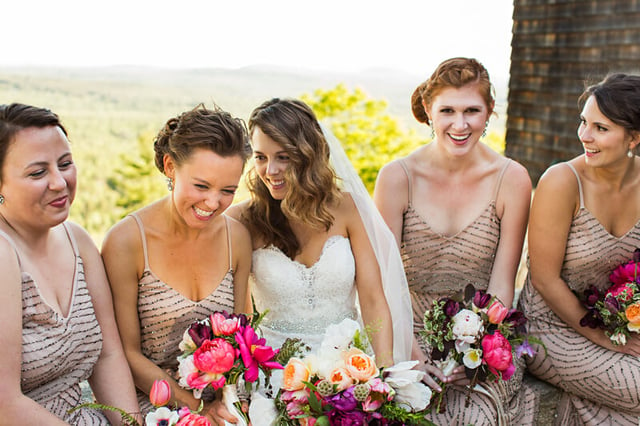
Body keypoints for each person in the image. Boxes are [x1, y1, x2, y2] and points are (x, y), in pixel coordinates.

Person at [374, 57, 536, 425]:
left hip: (482, 332)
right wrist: (409, 351)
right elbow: (384, 277)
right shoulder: (397, 178)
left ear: (489, 112)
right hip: (405, 327)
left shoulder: (512, 179)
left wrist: (476, 350)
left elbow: (502, 281)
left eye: (472, 111)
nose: (459, 125)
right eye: (447, 110)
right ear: (429, 110)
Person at [227, 98, 413, 372]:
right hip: (274, 374)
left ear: (307, 155)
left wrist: (384, 374)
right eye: (261, 157)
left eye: (283, 157)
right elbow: (239, 316)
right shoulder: (240, 220)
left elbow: (373, 299)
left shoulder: (350, 209)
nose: (271, 170)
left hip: (349, 373)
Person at [101, 104, 253, 424]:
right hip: (155, 407)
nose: (213, 203)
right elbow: (126, 354)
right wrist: (196, 410)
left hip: (226, 405)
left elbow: (244, 336)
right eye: (201, 186)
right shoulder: (127, 242)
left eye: (228, 191)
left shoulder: (236, 238)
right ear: (170, 166)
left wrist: (235, 406)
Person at [0, 103, 140, 424]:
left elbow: (108, 356)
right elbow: (4, 403)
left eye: (65, 164)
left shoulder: (78, 240)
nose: (60, 182)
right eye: (37, 172)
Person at [518, 73, 640, 424]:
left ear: (634, 136)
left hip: (621, 325)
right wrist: (604, 338)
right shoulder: (561, 181)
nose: (584, 136)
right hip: (550, 328)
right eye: (584, 122)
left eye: (601, 128)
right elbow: (543, 279)